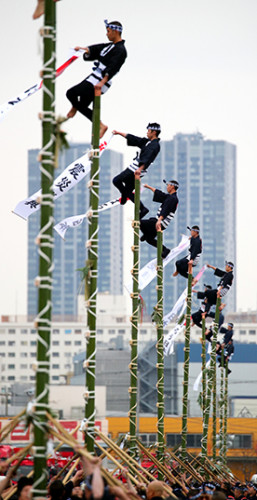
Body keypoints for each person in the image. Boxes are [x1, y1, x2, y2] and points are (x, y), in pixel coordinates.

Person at [66, 20, 127, 138]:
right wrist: (83, 49)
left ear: (115, 32)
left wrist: (102, 82)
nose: (107, 34)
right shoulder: (110, 46)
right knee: (82, 105)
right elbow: (96, 49)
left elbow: (113, 67)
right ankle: (100, 125)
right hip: (93, 77)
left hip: (100, 80)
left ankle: (75, 107)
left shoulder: (120, 50)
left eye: (108, 31)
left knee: (71, 93)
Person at [112, 123, 161, 218]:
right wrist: (119, 133)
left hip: (135, 169)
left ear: (154, 132)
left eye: (148, 131)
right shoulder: (148, 142)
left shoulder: (154, 145)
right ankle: (142, 208)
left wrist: (140, 169)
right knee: (128, 191)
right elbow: (135, 139)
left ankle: (124, 196)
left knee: (116, 180)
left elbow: (148, 158)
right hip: (137, 169)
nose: (147, 133)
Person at [139, 179, 179, 258]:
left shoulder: (173, 199)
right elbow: (160, 194)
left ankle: (146, 234)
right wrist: (148, 187)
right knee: (149, 239)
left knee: (139, 222)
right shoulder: (169, 197)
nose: (167, 187)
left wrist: (159, 220)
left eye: (168, 185)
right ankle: (165, 249)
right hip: (158, 221)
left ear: (172, 187)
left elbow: (166, 210)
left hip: (160, 222)